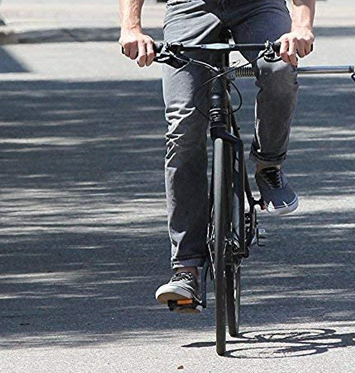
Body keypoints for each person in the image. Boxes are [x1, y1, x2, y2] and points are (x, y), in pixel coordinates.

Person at [118, 0, 315, 312]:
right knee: (183, 127)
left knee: (279, 68)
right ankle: (186, 268)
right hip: (191, 7)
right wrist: (131, 29)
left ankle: (269, 164)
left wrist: (301, 25)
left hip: (259, 6)